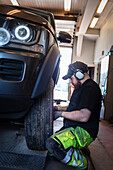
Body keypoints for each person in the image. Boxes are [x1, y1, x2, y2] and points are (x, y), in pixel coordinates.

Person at [46, 61, 102, 169]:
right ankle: (76, 151)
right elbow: (74, 109)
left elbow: (84, 116)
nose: (71, 81)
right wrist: (57, 108)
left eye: (71, 78)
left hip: (83, 131)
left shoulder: (90, 89)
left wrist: (60, 114)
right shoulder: (81, 88)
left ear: (79, 74)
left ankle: (82, 163)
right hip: (73, 127)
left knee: (52, 144)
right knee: (52, 153)